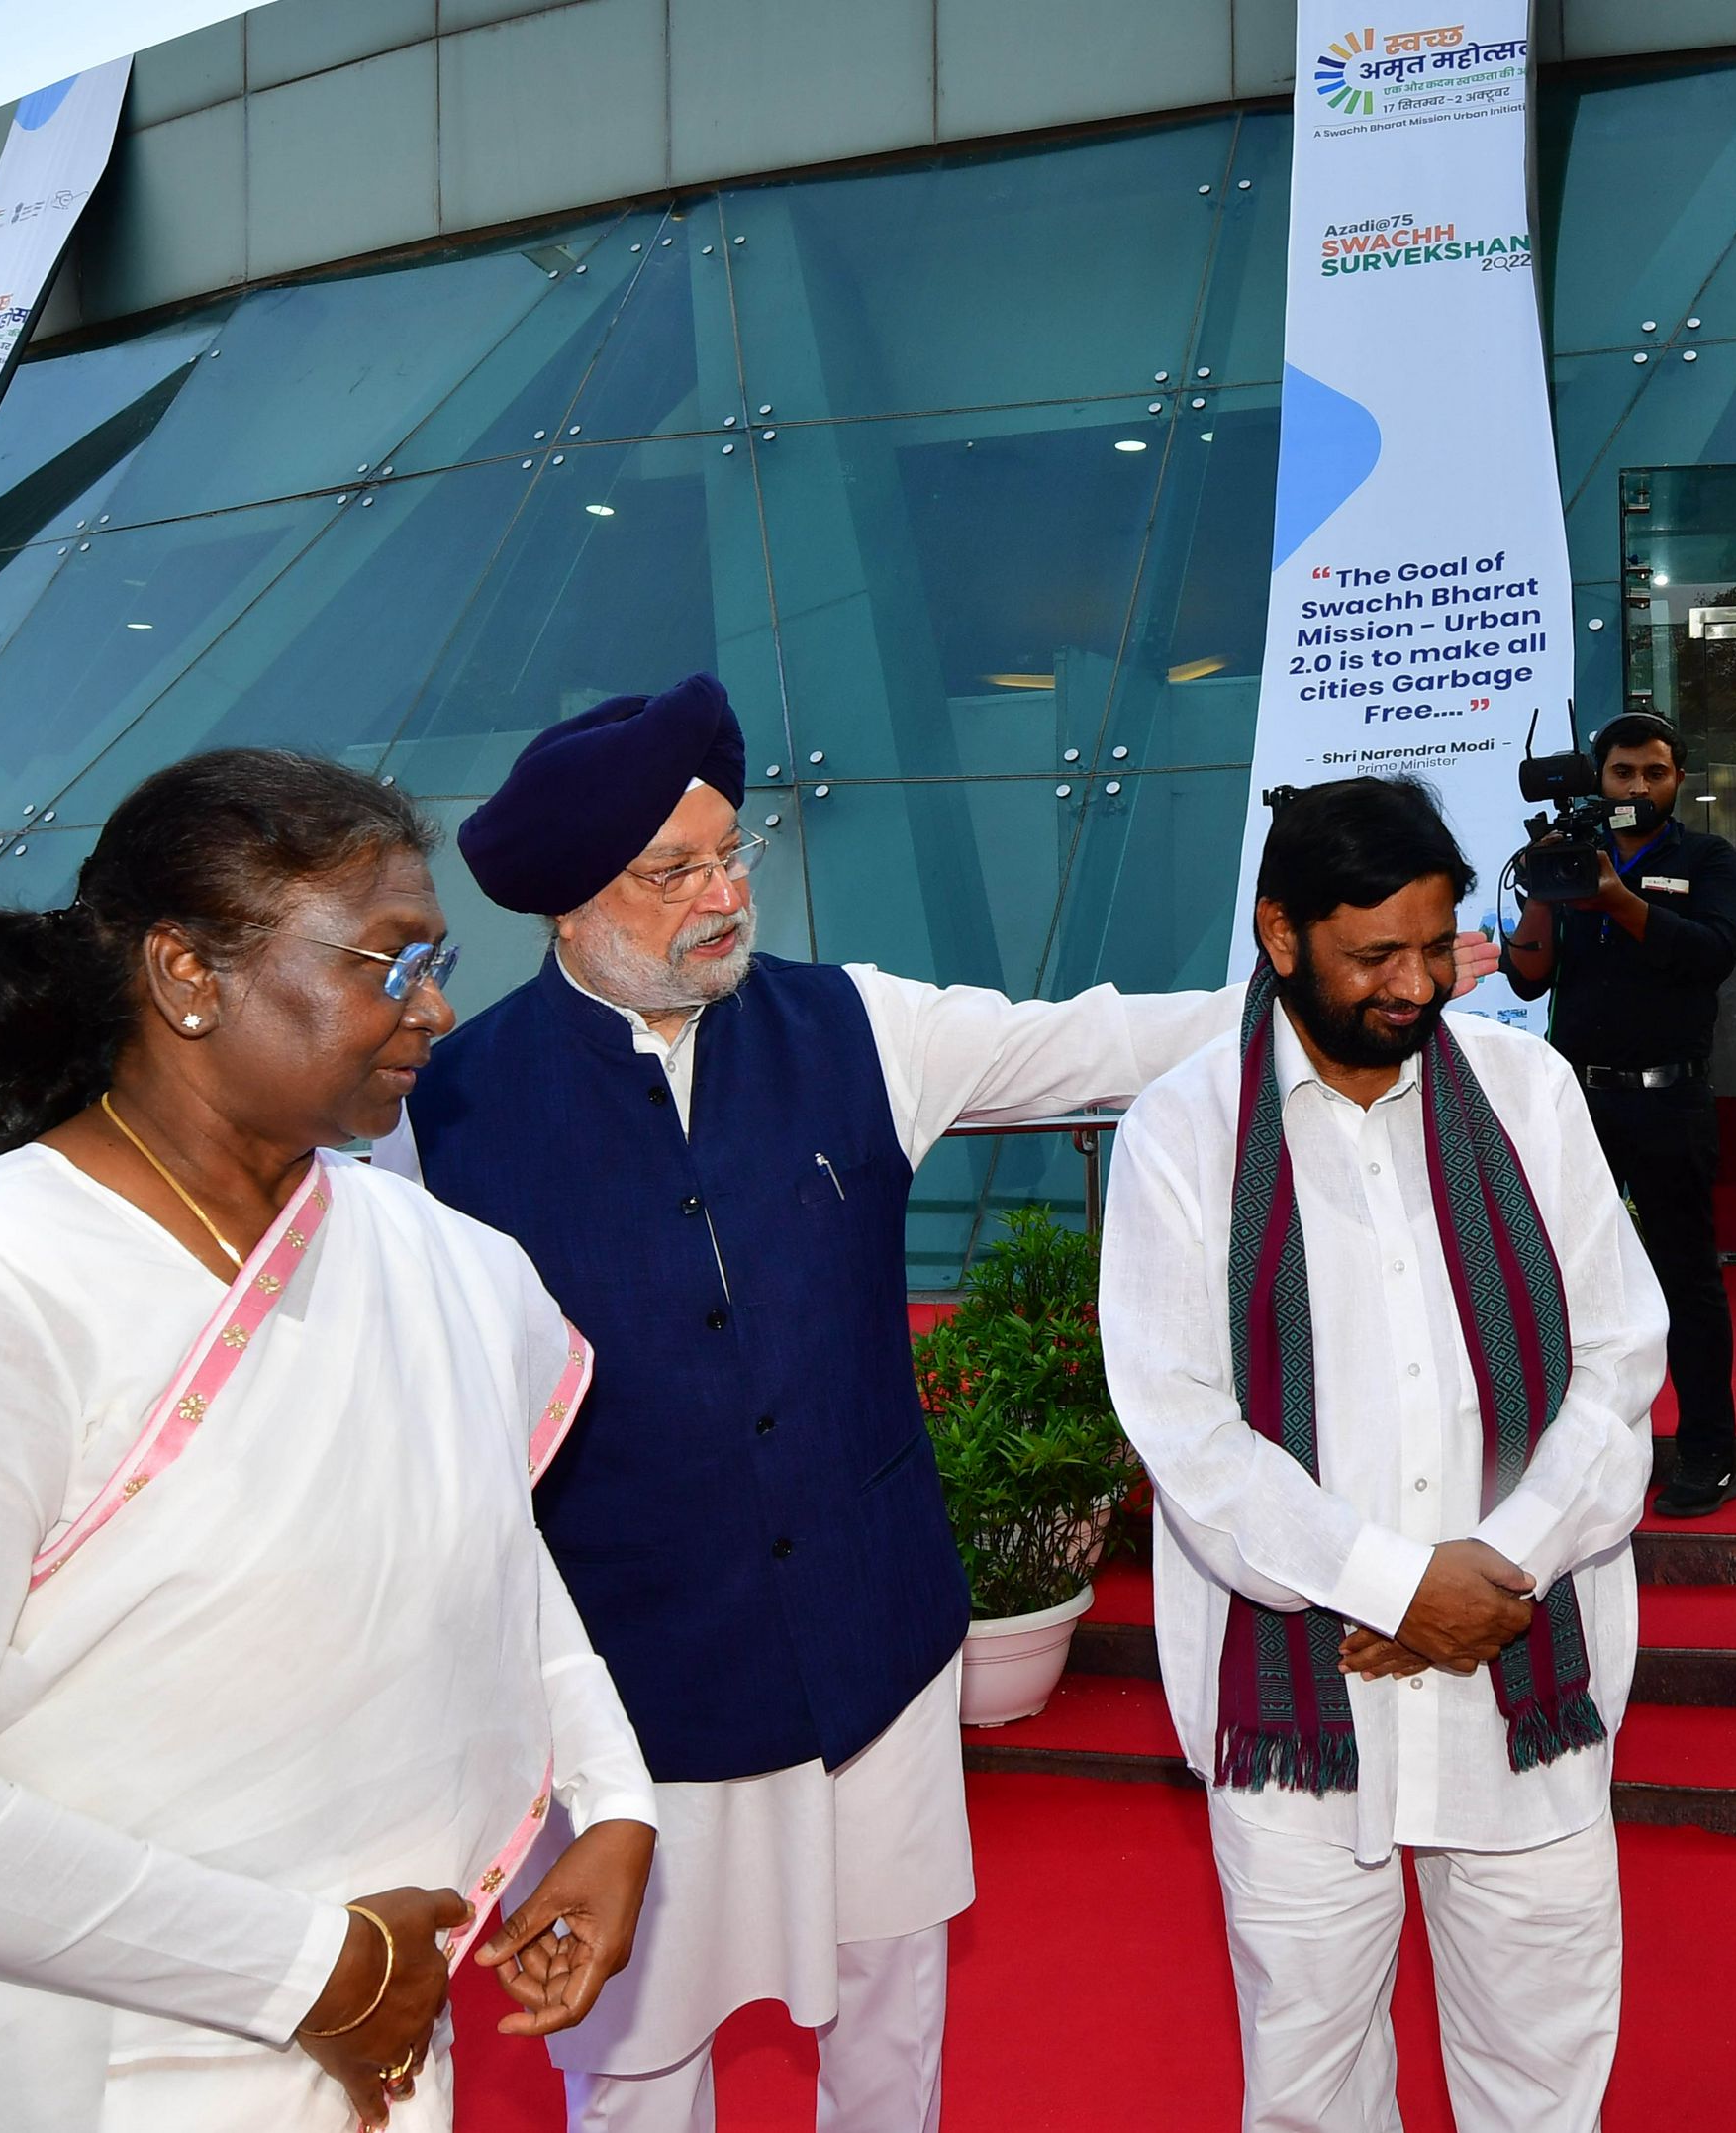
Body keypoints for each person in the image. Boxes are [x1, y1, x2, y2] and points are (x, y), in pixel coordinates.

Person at [377, 676, 1494, 2132]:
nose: (726, 894)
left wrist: (1327, 988)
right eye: (675, 872)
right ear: (572, 904)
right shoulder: (437, 1117)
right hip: (629, 1689)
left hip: (874, 1645)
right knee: (636, 2062)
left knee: (890, 2016)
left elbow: (1091, 1041)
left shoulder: (854, 1025)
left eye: (732, 853)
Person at [0, 752, 660, 2133]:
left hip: (373, 2026)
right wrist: (310, 1968)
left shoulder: (451, 1262)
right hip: (43, 2064)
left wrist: (612, 1798)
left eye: (440, 962)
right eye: (392, 963)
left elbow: (486, 1545)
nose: (437, 1008)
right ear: (187, 975)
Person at [1103, 775, 1664, 2133]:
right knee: (1312, 2086)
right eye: (1373, 956)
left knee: (1544, 2071)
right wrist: (1395, 1586)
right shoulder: (1184, 1128)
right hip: (1301, 1696)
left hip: (1525, 1668)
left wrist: (1496, 1570)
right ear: (1279, 932)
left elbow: (1620, 1355)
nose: (1416, 986)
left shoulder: (1527, 1090)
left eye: (1432, 945)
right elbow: (1185, 1425)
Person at [1500, 710, 1736, 1517]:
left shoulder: (1707, 859)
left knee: (1685, 1279)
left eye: (1654, 772)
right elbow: (1528, 978)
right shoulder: (1569, 850)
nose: (1638, 785)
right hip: (1576, 1101)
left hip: (1670, 1098)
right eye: (1623, 772)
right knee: (1568, 1277)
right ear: (1598, 778)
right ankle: (1575, 1452)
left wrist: (1616, 899)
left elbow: (1711, 955)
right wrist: (1545, 891)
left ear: (1678, 779)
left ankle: (1707, 1452)